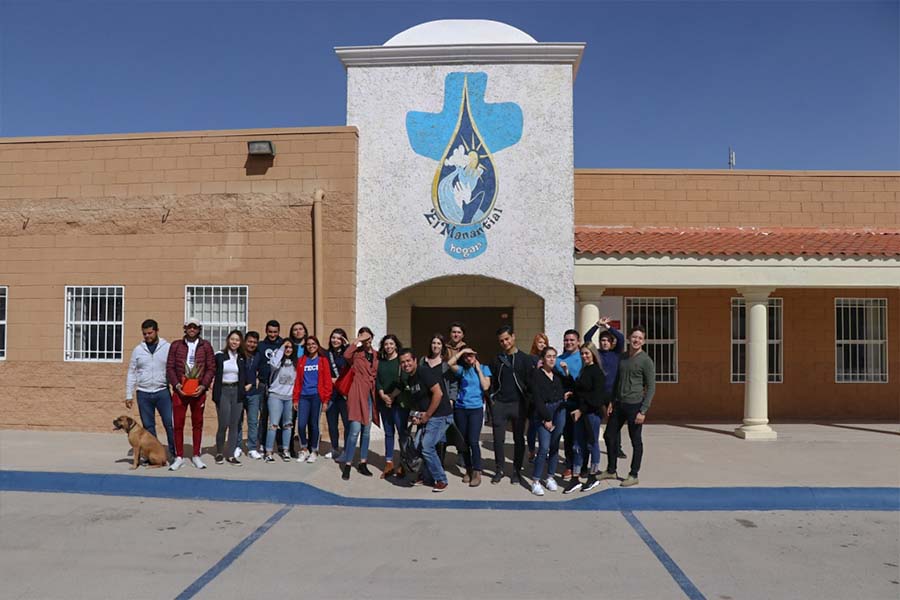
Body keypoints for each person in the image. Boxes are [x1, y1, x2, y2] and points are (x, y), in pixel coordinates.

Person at [599, 325, 656, 487]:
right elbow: (617, 380)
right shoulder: (622, 357)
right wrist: (612, 401)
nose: (636, 340)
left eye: (640, 338)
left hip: (635, 406)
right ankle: (611, 469)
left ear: (643, 341)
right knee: (609, 436)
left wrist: (643, 410)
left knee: (635, 441)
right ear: (630, 338)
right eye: (634, 337)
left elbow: (651, 387)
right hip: (619, 404)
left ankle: (633, 474)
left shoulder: (646, 360)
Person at [400, 348, 454, 492]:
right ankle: (427, 476)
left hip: (440, 415)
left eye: (408, 361)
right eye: (403, 362)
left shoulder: (424, 372)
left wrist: (427, 416)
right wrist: (417, 417)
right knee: (417, 445)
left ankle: (441, 479)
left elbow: (438, 393)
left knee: (427, 446)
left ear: (415, 360)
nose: (406, 364)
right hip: (428, 416)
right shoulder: (410, 378)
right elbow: (420, 402)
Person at [166, 317, 216, 471]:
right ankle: (179, 456)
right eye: (189, 327)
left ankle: (196, 455)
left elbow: (211, 368)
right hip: (180, 391)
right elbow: (170, 367)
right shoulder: (176, 345)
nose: (192, 329)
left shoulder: (206, 346)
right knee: (178, 425)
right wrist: (176, 384)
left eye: (195, 327)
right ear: (185, 328)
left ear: (199, 329)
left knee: (197, 424)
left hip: (198, 391)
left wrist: (203, 385)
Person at [125, 319, 175, 463]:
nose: (147, 336)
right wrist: (129, 394)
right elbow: (132, 372)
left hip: (162, 392)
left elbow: (172, 369)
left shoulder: (167, 347)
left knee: (169, 424)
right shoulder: (138, 350)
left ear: (157, 331)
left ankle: (173, 452)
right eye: (145, 334)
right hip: (143, 393)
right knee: (148, 426)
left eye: (150, 333)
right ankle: (152, 454)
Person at [489, 326, 532, 485]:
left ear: (513, 337)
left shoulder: (525, 359)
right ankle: (499, 469)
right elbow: (492, 381)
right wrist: (492, 399)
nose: (505, 343)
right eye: (501, 341)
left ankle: (516, 471)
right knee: (498, 439)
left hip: (518, 405)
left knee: (519, 439)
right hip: (500, 404)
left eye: (507, 339)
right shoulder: (496, 359)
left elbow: (530, 383)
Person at [563, 344, 608, 493]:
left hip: (591, 415)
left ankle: (592, 476)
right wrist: (572, 393)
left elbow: (596, 398)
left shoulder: (597, 372)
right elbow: (581, 391)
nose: (584, 356)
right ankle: (575, 478)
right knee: (577, 446)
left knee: (591, 445)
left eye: (587, 353)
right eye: (582, 354)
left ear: (593, 354)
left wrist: (581, 410)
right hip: (580, 414)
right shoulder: (584, 370)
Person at [585, 316, 628, 460]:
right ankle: (590, 444)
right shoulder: (596, 354)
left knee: (614, 420)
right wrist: (597, 325)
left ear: (611, 343)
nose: (605, 343)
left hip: (612, 393)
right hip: (598, 393)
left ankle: (618, 448)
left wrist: (608, 327)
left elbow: (621, 338)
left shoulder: (616, 354)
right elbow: (586, 338)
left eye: (607, 341)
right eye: (602, 340)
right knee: (594, 418)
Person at [447, 346, 491, 487]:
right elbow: (449, 364)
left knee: (473, 440)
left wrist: (478, 369)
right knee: (464, 442)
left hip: (476, 409)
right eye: (466, 356)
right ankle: (468, 469)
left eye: (471, 355)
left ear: (476, 355)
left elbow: (485, 387)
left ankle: (477, 471)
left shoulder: (484, 368)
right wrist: (460, 353)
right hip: (461, 409)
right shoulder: (462, 370)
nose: (468, 358)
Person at [529, 346, 569, 496]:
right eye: (549, 356)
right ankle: (536, 480)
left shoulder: (557, 374)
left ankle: (550, 477)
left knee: (554, 446)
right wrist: (546, 418)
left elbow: (568, 385)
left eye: (554, 356)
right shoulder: (536, 375)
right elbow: (537, 399)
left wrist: (566, 372)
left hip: (560, 411)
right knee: (544, 447)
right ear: (543, 359)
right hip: (544, 412)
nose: (552, 359)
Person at [340, 327, 379, 480]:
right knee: (354, 431)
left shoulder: (376, 355)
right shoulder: (356, 354)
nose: (367, 342)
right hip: (356, 394)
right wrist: (357, 341)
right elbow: (346, 354)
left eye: (369, 338)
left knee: (366, 431)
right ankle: (348, 464)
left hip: (370, 395)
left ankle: (363, 462)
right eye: (364, 339)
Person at [292, 335, 333, 464]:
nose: (311, 346)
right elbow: (298, 381)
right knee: (301, 424)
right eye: (309, 344)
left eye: (313, 344)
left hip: (316, 396)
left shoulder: (322, 360)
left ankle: (314, 451)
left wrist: (326, 400)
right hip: (303, 396)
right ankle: (304, 449)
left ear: (317, 345)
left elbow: (327, 381)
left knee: (314, 424)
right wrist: (295, 399)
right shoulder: (302, 360)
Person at [212, 330, 247, 466]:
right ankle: (220, 452)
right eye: (232, 339)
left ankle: (231, 455)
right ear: (228, 340)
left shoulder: (242, 357)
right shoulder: (220, 355)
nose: (234, 342)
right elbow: (212, 370)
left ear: (240, 342)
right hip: (223, 391)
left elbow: (245, 374)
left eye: (237, 340)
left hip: (237, 391)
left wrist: (248, 385)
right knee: (223, 424)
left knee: (234, 425)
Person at [376, 334, 405, 478]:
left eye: (391, 344)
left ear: (396, 345)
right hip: (384, 402)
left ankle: (404, 463)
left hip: (398, 402)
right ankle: (389, 463)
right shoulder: (380, 361)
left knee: (402, 432)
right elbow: (377, 380)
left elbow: (403, 380)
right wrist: (382, 395)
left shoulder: (400, 361)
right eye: (386, 344)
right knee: (388, 432)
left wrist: (392, 396)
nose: (389, 347)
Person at [264, 339, 298, 462]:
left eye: (290, 347)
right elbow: (273, 363)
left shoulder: (295, 363)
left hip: (289, 397)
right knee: (273, 425)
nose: (288, 349)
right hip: (275, 396)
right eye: (286, 347)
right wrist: (282, 347)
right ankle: (268, 451)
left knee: (288, 425)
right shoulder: (277, 361)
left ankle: (285, 450)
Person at [556, 329, 584, 481]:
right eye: (566, 340)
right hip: (566, 404)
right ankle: (569, 465)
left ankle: (582, 466)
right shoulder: (559, 360)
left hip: (581, 403)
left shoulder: (584, 357)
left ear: (578, 341)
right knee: (568, 436)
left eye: (572, 340)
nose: (569, 342)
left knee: (581, 437)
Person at [256, 320, 283, 454]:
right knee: (264, 416)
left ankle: (280, 444)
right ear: (266, 331)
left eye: (275, 332)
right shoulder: (260, 346)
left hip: (279, 387)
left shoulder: (283, 345)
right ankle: (262, 443)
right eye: (270, 332)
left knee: (279, 417)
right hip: (263, 385)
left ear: (279, 332)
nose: (273, 335)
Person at [324, 328, 350, 460]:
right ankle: (334, 448)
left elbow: (352, 369)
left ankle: (346, 450)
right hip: (331, 394)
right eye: (333, 337)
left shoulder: (348, 354)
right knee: (332, 423)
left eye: (339, 338)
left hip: (344, 394)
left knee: (347, 424)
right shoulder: (326, 354)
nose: (335, 340)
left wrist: (348, 346)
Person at [287, 321, 309, 458]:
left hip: (307, 388)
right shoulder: (288, 347)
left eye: (300, 329)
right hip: (291, 388)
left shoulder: (310, 347)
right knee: (291, 420)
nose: (298, 331)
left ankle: (308, 447)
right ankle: (289, 447)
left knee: (307, 421)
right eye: (295, 329)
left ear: (305, 331)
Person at [526, 333, 549, 463]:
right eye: (540, 342)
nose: (542, 345)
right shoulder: (531, 358)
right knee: (533, 427)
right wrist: (537, 368)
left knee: (544, 426)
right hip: (533, 399)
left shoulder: (548, 357)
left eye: (544, 342)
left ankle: (543, 451)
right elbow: (528, 378)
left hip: (545, 397)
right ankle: (531, 451)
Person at [241, 331, 264, 459]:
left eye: (255, 342)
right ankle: (238, 446)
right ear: (245, 341)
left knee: (253, 421)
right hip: (239, 393)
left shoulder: (258, 355)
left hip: (254, 393)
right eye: (250, 341)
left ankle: (251, 447)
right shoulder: (239, 354)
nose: (252, 344)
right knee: (238, 421)